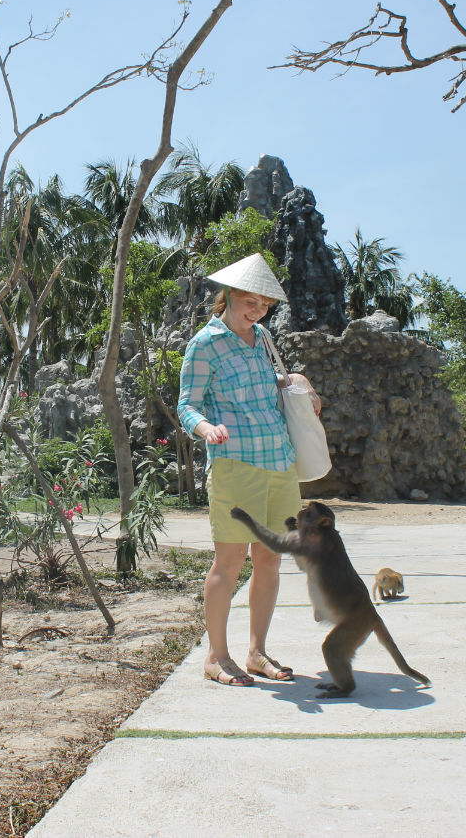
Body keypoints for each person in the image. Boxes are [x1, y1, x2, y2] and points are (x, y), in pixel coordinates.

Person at [177, 252, 320, 688]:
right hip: (237, 463)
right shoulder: (206, 342)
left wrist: (302, 383)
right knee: (230, 561)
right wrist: (205, 428)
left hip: (280, 460)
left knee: (271, 559)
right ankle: (216, 657)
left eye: (264, 304)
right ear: (229, 296)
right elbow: (187, 403)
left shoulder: (262, 337)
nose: (257, 310)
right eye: (249, 301)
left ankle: (256, 653)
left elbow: (271, 387)